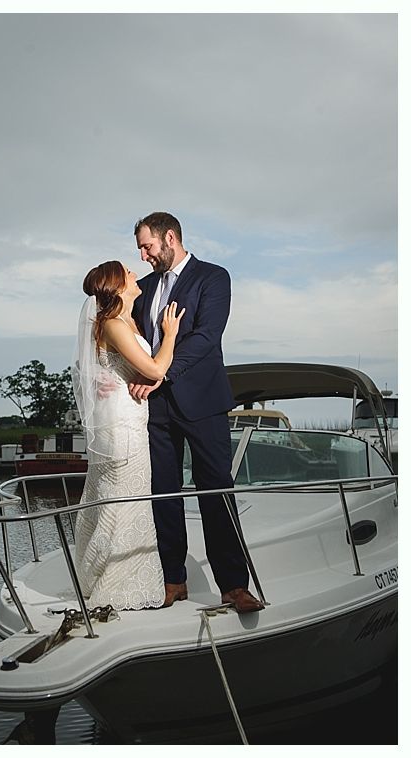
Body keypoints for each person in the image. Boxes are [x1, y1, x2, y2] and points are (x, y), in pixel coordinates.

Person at [129, 211, 262, 613]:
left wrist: (161, 373)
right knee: (163, 494)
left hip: (202, 401)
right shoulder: (142, 287)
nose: (144, 255)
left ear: (170, 238)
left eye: (147, 246)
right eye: (139, 249)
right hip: (155, 407)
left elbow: (207, 335)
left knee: (216, 490)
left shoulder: (213, 277)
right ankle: (172, 580)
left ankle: (234, 586)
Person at [72, 261, 184, 610]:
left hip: (130, 417)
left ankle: (103, 571)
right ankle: (116, 582)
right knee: (124, 499)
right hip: (123, 424)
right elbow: (152, 369)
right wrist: (171, 335)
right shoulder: (113, 324)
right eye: (129, 272)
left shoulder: (126, 321)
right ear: (118, 285)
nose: (136, 274)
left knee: (124, 498)